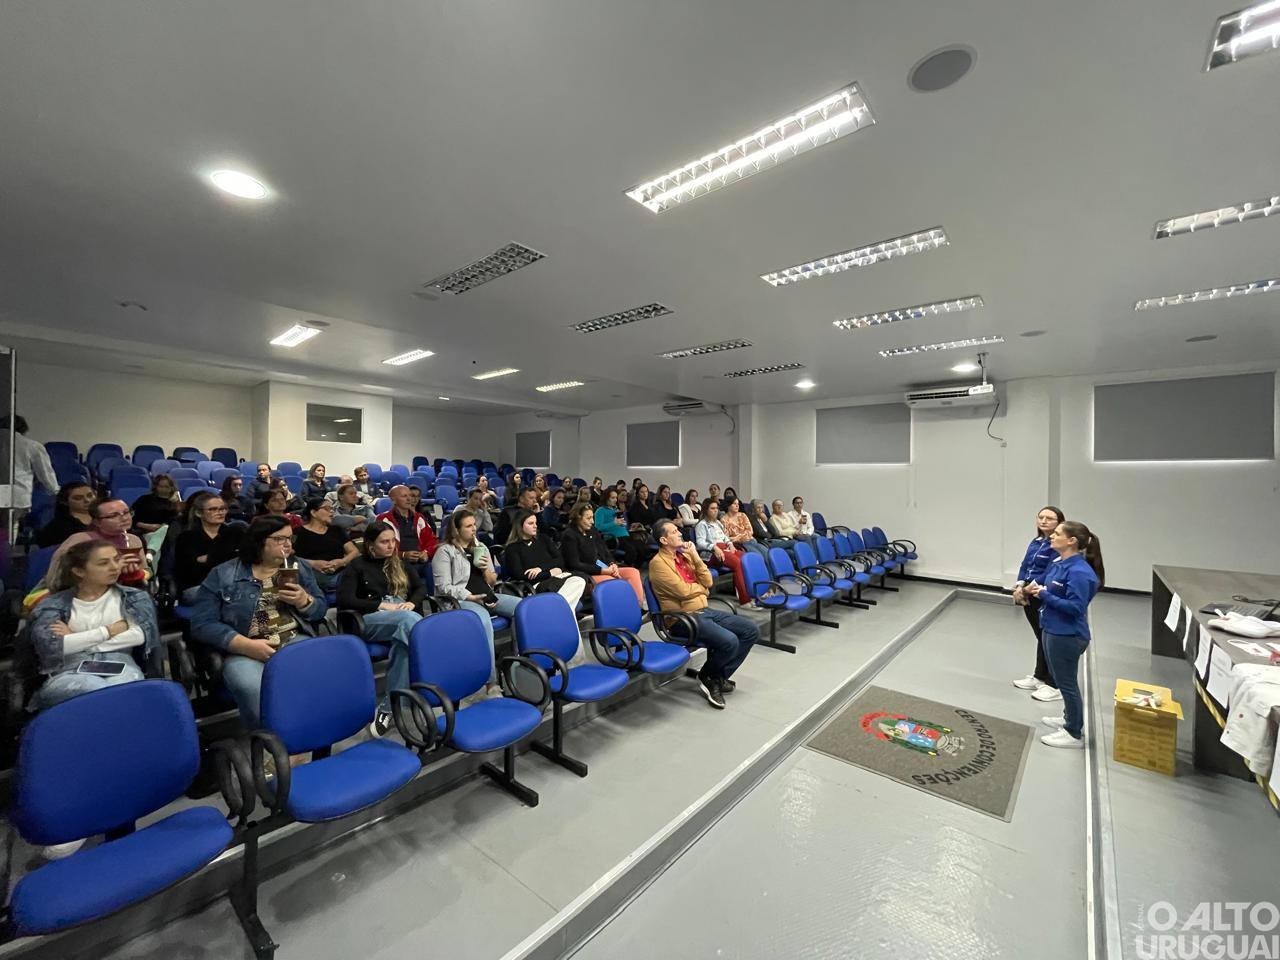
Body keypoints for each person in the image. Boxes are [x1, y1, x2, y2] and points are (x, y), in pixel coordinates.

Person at [188, 517, 328, 730]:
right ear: (259, 541)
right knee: (254, 687)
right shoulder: (224, 573)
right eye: (280, 539)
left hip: (291, 638)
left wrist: (305, 601)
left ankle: (303, 733)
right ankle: (270, 743)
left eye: (291, 538)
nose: (288, 544)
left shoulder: (298, 568)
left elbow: (320, 609)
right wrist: (244, 645)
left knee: (315, 674)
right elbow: (201, 623)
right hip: (244, 646)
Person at [27, 540, 159, 712]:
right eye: (104, 563)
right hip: (69, 670)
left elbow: (139, 636)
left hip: (121, 664)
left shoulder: (135, 598)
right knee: (96, 689)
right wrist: (109, 631)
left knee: (123, 689)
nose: (114, 567)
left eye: (116, 559)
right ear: (79, 571)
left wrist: (76, 637)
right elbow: (51, 647)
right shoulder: (53, 604)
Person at [649, 519, 758, 709]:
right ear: (664, 540)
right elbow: (683, 591)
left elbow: (708, 581)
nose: (680, 533)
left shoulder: (685, 556)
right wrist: (702, 590)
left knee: (751, 630)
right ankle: (709, 676)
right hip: (681, 619)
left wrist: (695, 556)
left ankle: (716, 676)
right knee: (729, 641)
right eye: (674, 532)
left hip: (703, 611)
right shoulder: (658, 564)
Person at [338, 521, 428, 737]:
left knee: (404, 644)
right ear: (370, 545)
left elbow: (420, 587)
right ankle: (429, 675)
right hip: (369, 619)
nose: (390, 546)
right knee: (412, 623)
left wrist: (412, 603)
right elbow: (345, 599)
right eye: (384, 542)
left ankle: (389, 706)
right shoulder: (357, 566)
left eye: (392, 541)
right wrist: (380, 605)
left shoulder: (398, 563)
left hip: (402, 616)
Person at [1023, 521, 1105, 749]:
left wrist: (1045, 595)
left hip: (1068, 634)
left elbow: (1075, 608)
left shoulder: (1080, 572)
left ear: (1072, 541)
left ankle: (1073, 732)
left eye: (1057, 533)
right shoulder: (1060, 564)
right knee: (1060, 678)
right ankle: (1069, 718)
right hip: (1051, 627)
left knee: (1067, 683)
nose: (1051, 536)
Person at [432, 509, 521, 674]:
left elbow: (493, 580)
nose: (474, 529)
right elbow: (443, 587)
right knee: (484, 619)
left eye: (474, 525)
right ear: (456, 530)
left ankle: (517, 659)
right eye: (468, 526)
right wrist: (469, 596)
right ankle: (490, 677)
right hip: (461, 599)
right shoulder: (444, 551)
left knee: (522, 608)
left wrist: (484, 570)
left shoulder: (481, 547)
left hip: (485, 594)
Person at [1011, 506, 1066, 700]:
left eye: (1049, 518)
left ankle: (1053, 682)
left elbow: (1049, 572)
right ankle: (1039, 676)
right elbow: (1025, 565)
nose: (1043, 521)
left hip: (1041, 593)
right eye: (1040, 517)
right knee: (1040, 636)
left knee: (1047, 638)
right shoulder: (1036, 542)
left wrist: (1027, 590)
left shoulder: (1057, 545)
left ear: (1059, 523)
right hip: (1026, 591)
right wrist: (1018, 586)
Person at [561, 502, 646, 609]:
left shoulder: (592, 530)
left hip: (604, 567)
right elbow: (575, 564)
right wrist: (602, 571)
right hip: (586, 573)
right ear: (578, 517)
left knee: (633, 572)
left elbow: (605, 551)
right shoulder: (569, 535)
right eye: (588, 518)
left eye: (592, 517)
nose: (592, 521)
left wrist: (612, 563)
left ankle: (637, 607)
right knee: (613, 581)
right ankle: (623, 609)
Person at [502, 510, 587, 610]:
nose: (535, 526)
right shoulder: (512, 548)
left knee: (581, 578)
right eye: (530, 523)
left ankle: (558, 610)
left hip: (556, 578)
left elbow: (560, 560)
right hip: (536, 585)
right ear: (520, 526)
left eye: (535, 523)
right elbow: (520, 575)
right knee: (577, 581)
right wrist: (550, 573)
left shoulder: (543, 539)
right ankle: (561, 610)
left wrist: (540, 568)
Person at [52, 500, 147, 589]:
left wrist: (136, 574)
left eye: (126, 512)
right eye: (113, 515)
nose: (125, 518)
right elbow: (58, 577)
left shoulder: (133, 540)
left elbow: (145, 571)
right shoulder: (80, 540)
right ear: (97, 522)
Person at [174, 495, 246, 602]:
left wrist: (209, 558)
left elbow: (244, 562)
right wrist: (228, 557)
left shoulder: (236, 533)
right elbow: (191, 570)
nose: (220, 512)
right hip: (198, 587)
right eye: (213, 509)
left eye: (222, 509)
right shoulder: (187, 537)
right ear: (199, 513)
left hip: (232, 585)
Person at [0, 414, 58, 525]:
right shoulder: (31, 445)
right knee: (10, 529)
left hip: (10, 492)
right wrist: (55, 491)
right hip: (17, 494)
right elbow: (45, 474)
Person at [293, 499, 358, 590]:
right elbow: (290, 557)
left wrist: (342, 562)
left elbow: (354, 551)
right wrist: (313, 564)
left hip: (340, 573)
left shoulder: (336, 530)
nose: (331, 512)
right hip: (311, 574)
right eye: (327, 508)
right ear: (313, 512)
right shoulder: (298, 532)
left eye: (332, 509)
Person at [694, 499, 749, 604]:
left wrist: (731, 544)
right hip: (710, 554)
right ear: (706, 510)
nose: (715, 511)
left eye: (716, 508)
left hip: (724, 548)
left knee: (746, 559)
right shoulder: (702, 525)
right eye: (712, 508)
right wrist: (714, 547)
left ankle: (753, 591)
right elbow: (700, 543)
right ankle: (745, 599)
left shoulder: (718, 523)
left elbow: (725, 537)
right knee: (737, 563)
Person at [376, 484, 439, 562]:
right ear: (393, 500)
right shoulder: (383, 519)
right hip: (394, 562)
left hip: (420, 561)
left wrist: (426, 553)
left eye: (410, 495)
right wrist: (402, 555)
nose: (409, 499)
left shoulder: (419, 518)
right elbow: (380, 548)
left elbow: (432, 540)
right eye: (404, 496)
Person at [35, 481, 96, 548]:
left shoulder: (105, 516)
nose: (87, 500)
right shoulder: (58, 527)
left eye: (90, 495)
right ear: (65, 501)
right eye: (78, 498)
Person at [593, 487, 641, 566]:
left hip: (625, 535)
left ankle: (633, 568)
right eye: (612, 498)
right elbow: (598, 527)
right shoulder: (600, 510)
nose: (615, 500)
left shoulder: (615, 510)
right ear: (606, 498)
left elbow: (619, 524)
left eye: (616, 497)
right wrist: (614, 523)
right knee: (632, 551)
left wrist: (622, 524)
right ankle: (624, 568)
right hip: (612, 538)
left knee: (640, 547)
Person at [721, 496, 770, 562]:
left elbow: (750, 531)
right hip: (740, 545)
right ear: (728, 505)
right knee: (759, 557)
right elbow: (728, 538)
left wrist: (737, 537)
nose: (737, 506)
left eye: (738, 504)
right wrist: (742, 537)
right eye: (734, 504)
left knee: (768, 554)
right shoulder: (724, 520)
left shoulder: (742, 515)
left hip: (752, 541)